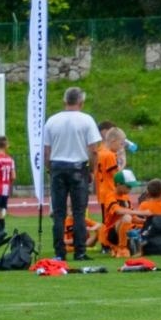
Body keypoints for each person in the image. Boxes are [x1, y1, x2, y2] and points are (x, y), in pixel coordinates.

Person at [42, 86, 102, 261]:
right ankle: (80, 251)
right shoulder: (86, 120)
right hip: (78, 167)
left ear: (64, 101)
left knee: (59, 213)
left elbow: (47, 151)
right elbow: (93, 149)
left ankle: (59, 252)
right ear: (81, 102)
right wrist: (92, 169)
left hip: (58, 167)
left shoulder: (52, 121)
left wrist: (49, 168)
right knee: (78, 212)